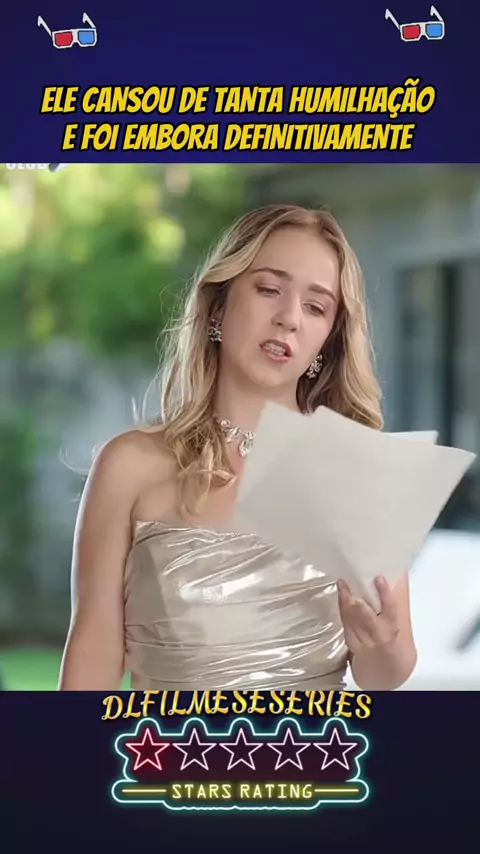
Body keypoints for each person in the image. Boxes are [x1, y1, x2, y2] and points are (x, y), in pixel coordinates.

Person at [58, 204, 418, 691]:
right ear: (218, 306)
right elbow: (93, 655)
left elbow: (385, 674)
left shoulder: (359, 477)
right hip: (167, 741)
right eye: (269, 289)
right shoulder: (130, 467)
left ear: (326, 342)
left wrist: (378, 643)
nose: (289, 318)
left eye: (315, 307)